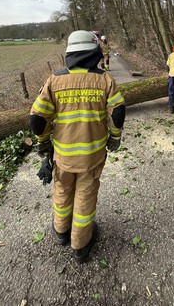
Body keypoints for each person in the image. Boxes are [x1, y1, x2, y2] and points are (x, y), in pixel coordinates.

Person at [29, 30, 125, 264]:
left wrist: (43, 144)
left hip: (63, 156)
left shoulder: (55, 79)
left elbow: (37, 118)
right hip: (92, 156)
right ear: (94, 52)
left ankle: (61, 232)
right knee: (85, 195)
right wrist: (114, 137)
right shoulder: (104, 80)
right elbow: (118, 112)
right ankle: (80, 245)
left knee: (62, 190)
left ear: (70, 53)